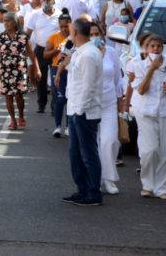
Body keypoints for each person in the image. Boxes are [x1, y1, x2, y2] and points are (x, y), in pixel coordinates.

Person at [130, 35, 166, 200]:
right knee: (149, 150)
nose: (155, 49)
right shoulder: (138, 65)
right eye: (151, 46)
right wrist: (151, 69)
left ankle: (162, 188)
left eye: (159, 46)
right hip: (146, 111)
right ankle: (147, 184)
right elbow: (140, 90)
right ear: (145, 48)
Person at [63, 18, 103, 206]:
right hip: (75, 109)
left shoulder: (89, 54)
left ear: (77, 33)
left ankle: (93, 192)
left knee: (88, 154)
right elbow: (75, 75)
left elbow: (88, 86)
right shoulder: (80, 52)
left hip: (85, 112)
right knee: (75, 154)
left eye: (71, 31)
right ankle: (82, 189)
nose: (69, 33)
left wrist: (80, 110)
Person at [0, 12, 41, 130]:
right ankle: (13, 120)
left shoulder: (23, 37)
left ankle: (21, 116)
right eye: (4, 20)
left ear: (15, 22)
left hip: (20, 70)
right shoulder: (1, 37)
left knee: (18, 96)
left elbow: (32, 55)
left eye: (8, 20)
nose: (6, 23)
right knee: (8, 96)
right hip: (5, 71)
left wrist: (37, 69)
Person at [89, 23, 123, 195]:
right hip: (90, 104)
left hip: (109, 104)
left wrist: (121, 106)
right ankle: (96, 178)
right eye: (91, 34)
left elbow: (118, 79)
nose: (95, 37)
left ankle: (108, 178)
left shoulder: (112, 52)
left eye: (97, 34)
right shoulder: (84, 53)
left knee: (110, 141)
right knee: (93, 144)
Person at [26, 0, 60, 113]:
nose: (46, 1)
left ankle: (55, 105)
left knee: (56, 77)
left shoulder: (59, 15)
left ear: (54, 0)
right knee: (40, 78)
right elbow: (28, 33)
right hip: (40, 49)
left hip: (56, 51)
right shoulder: (35, 15)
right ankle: (41, 104)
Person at [44, 10, 72, 137]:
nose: (64, 29)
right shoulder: (54, 37)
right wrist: (56, 50)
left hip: (71, 70)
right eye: (61, 26)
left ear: (71, 24)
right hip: (57, 69)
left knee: (70, 99)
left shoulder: (76, 37)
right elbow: (45, 54)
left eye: (66, 26)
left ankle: (68, 126)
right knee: (60, 99)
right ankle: (58, 126)